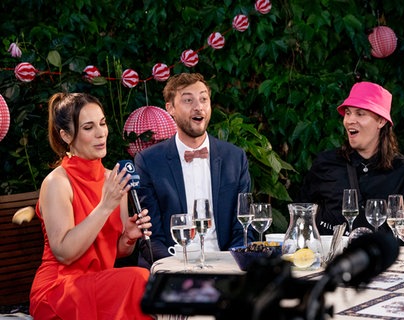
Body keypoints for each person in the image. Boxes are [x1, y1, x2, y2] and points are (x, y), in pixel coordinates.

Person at [29, 93, 153, 319]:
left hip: (98, 283)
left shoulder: (113, 179)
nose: (101, 133)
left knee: (140, 280)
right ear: (66, 136)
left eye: (103, 123)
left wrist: (129, 237)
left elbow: (117, 252)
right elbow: (64, 253)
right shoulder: (57, 182)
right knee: (139, 278)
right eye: (88, 127)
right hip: (58, 289)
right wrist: (105, 206)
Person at [135, 72, 252, 269]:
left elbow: (243, 229)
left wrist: (231, 266)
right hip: (174, 266)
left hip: (227, 266)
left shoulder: (235, 158)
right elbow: (150, 237)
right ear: (170, 108)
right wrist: (180, 269)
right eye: (188, 100)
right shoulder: (148, 161)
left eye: (203, 99)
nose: (198, 106)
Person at [297, 81, 404, 235]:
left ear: (381, 121)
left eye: (360, 114)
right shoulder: (325, 163)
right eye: (348, 112)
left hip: (382, 258)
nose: (349, 120)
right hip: (329, 257)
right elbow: (300, 215)